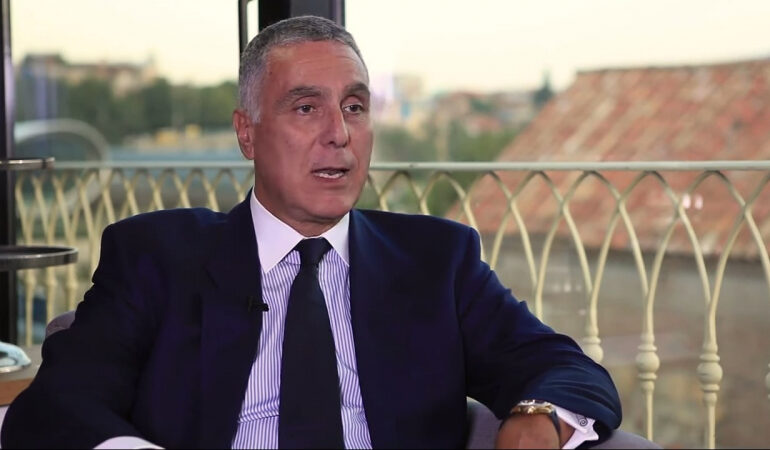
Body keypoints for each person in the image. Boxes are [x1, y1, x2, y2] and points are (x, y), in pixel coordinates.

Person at [1, 16, 621, 449]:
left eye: (354, 107)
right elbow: (57, 406)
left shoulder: (436, 261)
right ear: (247, 133)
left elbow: (566, 368)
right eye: (306, 108)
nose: (339, 134)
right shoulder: (156, 256)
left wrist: (540, 416)